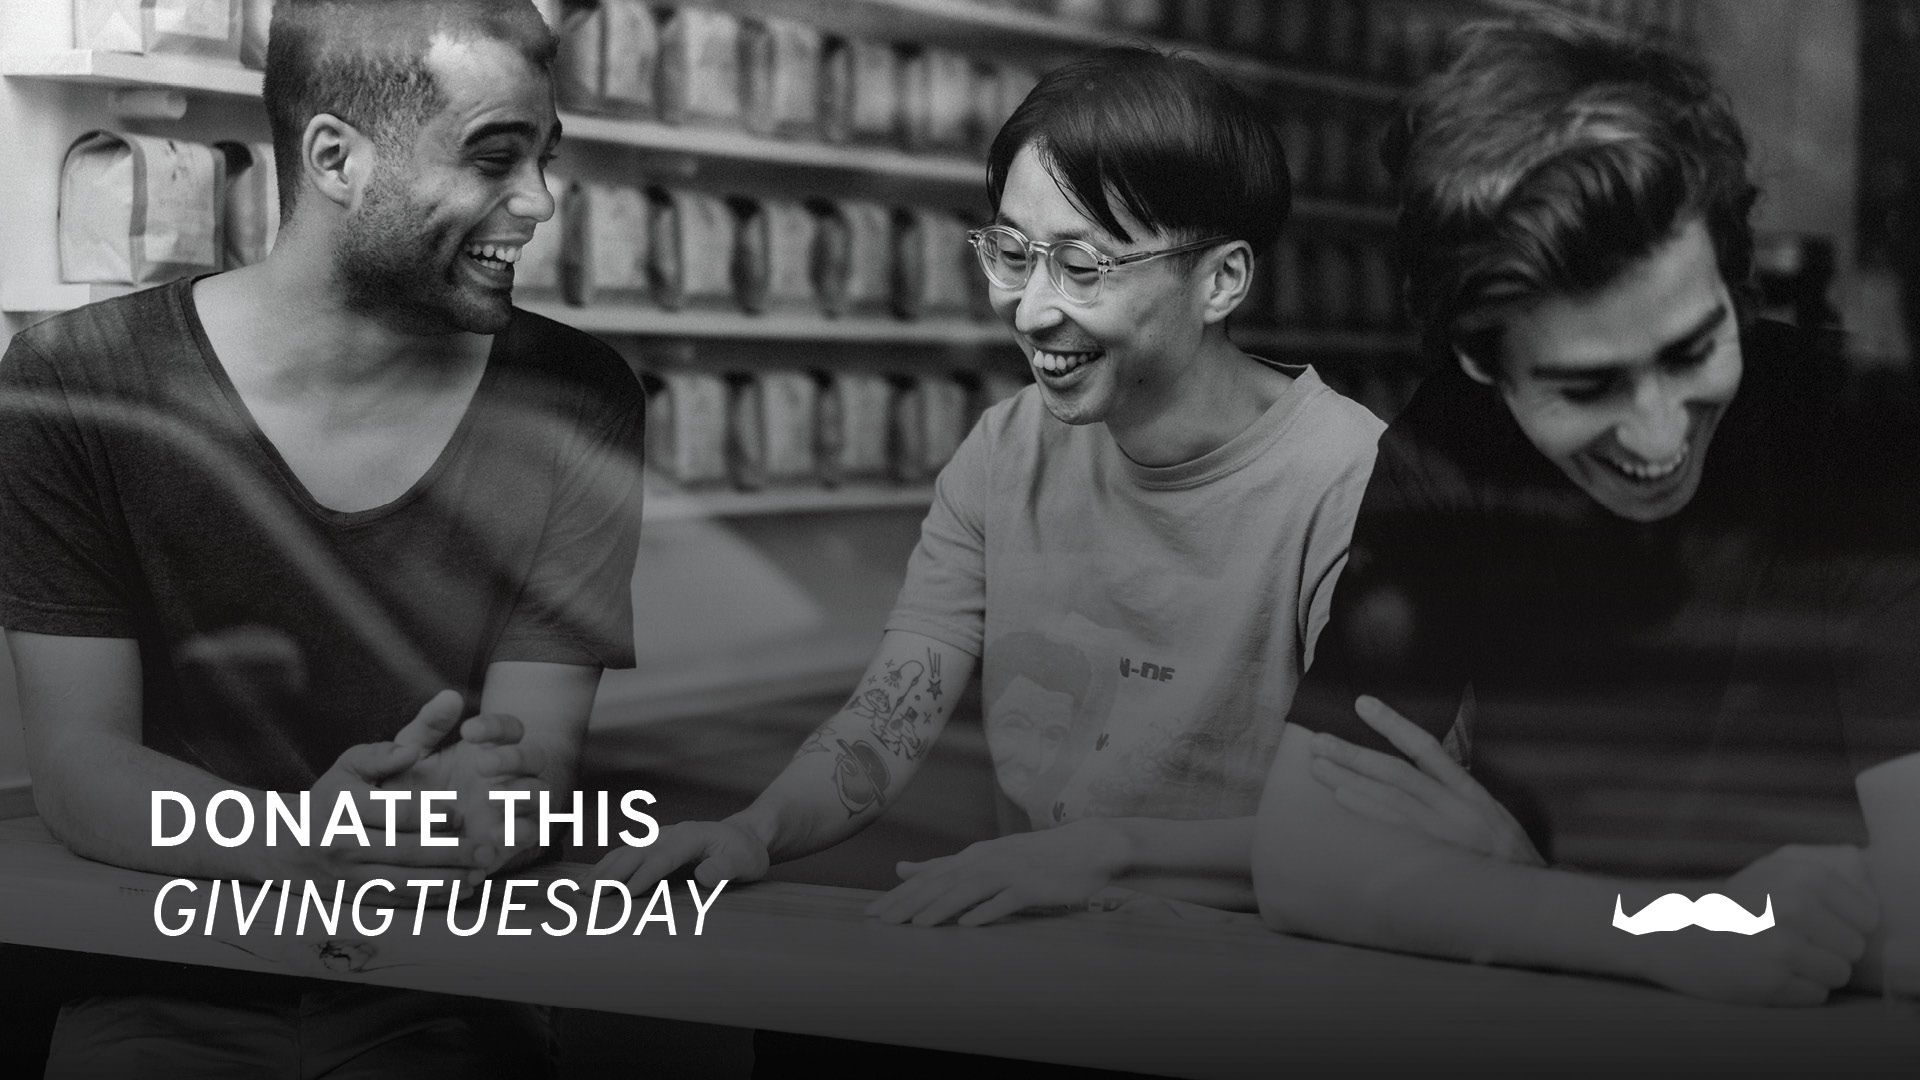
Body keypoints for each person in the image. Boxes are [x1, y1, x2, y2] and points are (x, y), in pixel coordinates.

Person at [598, 46, 1383, 926]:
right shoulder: (1006, 451)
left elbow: (1367, 830)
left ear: (1222, 280)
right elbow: (890, 715)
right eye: (1012, 253)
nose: (1033, 309)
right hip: (1040, 970)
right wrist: (757, 830)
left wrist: (1108, 855)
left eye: (1083, 269)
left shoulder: (1353, 483)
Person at [0, 0, 643, 1073]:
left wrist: (483, 802)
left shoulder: (577, 395)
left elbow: (537, 759)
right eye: (494, 158)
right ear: (337, 158)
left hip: (451, 994)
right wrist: (308, 840)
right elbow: (78, 765)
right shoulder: (76, 383)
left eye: (544, 157)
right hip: (156, 987)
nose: (537, 203)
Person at [1253, 12, 1920, 1007]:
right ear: (1485, 363)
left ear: (1733, 286)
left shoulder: (1856, 436)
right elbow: (1305, 862)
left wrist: (1515, 896)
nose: (1657, 437)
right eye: (1586, 387)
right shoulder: (1451, 446)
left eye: (1694, 352)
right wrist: (1664, 924)